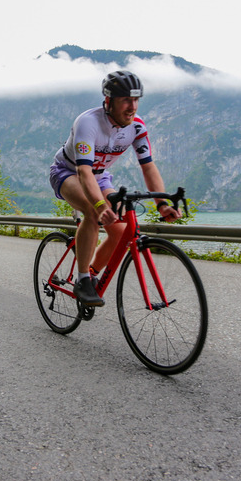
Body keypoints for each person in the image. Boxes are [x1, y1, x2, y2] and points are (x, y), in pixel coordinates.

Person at [49, 70, 181, 308]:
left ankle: (92, 273)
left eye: (136, 100)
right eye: (126, 100)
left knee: (121, 232)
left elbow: (148, 167)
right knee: (92, 211)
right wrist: (100, 205)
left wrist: (161, 204)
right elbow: (83, 172)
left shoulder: (137, 127)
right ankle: (82, 280)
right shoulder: (88, 122)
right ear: (108, 101)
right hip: (68, 172)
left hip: (100, 178)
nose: (132, 107)